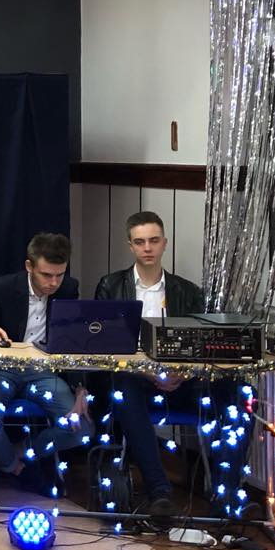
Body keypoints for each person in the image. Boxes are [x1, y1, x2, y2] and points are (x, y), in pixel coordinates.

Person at [95, 211, 249, 516]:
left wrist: (183, 373)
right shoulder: (111, 286)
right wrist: (150, 375)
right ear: (130, 246)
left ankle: (227, 493)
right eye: (140, 242)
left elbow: (202, 343)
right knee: (123, 388)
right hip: (139, 381)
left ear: (164, 243)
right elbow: (105, 346)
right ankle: (159, 490)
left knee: (240, 393)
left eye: (153, 241)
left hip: (185, 382)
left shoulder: (187, 291)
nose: (147, 248)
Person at [0, 233, 88, 485]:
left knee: (82, 429)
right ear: (29, 266)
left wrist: (80, 388)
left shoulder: (69, 288)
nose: (53, 282)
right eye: (46, 275)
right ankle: (13, 467)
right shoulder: (2, 288)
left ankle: (23, 452)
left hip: (45, 372)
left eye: (60, 275)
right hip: (1, 370)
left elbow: (74, 341)